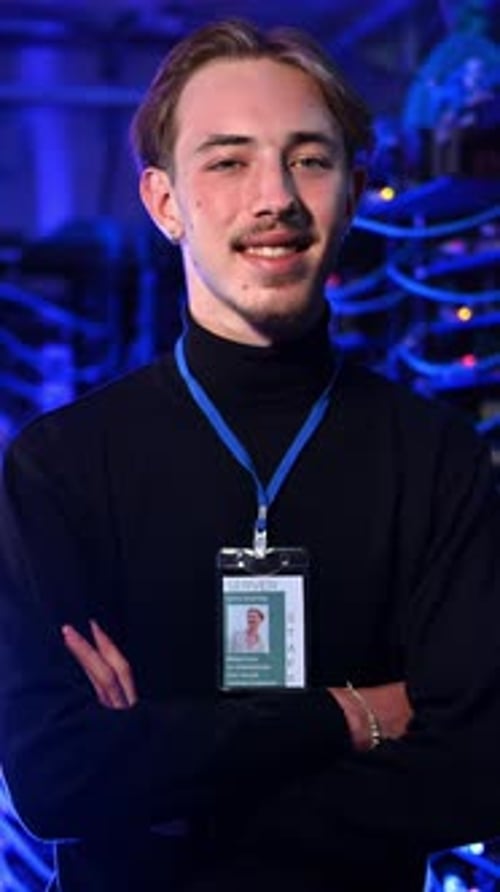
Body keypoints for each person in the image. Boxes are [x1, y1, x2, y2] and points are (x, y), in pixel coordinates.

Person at [1, 17, 500, 892]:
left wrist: (163, 785)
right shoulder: (60, 467)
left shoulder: (438, 462)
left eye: (309, 158)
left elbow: (476, 768)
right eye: (228, 161)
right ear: (165, 204)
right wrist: (349, 715)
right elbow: (54, 780)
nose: (275, 197)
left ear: (353, 191)